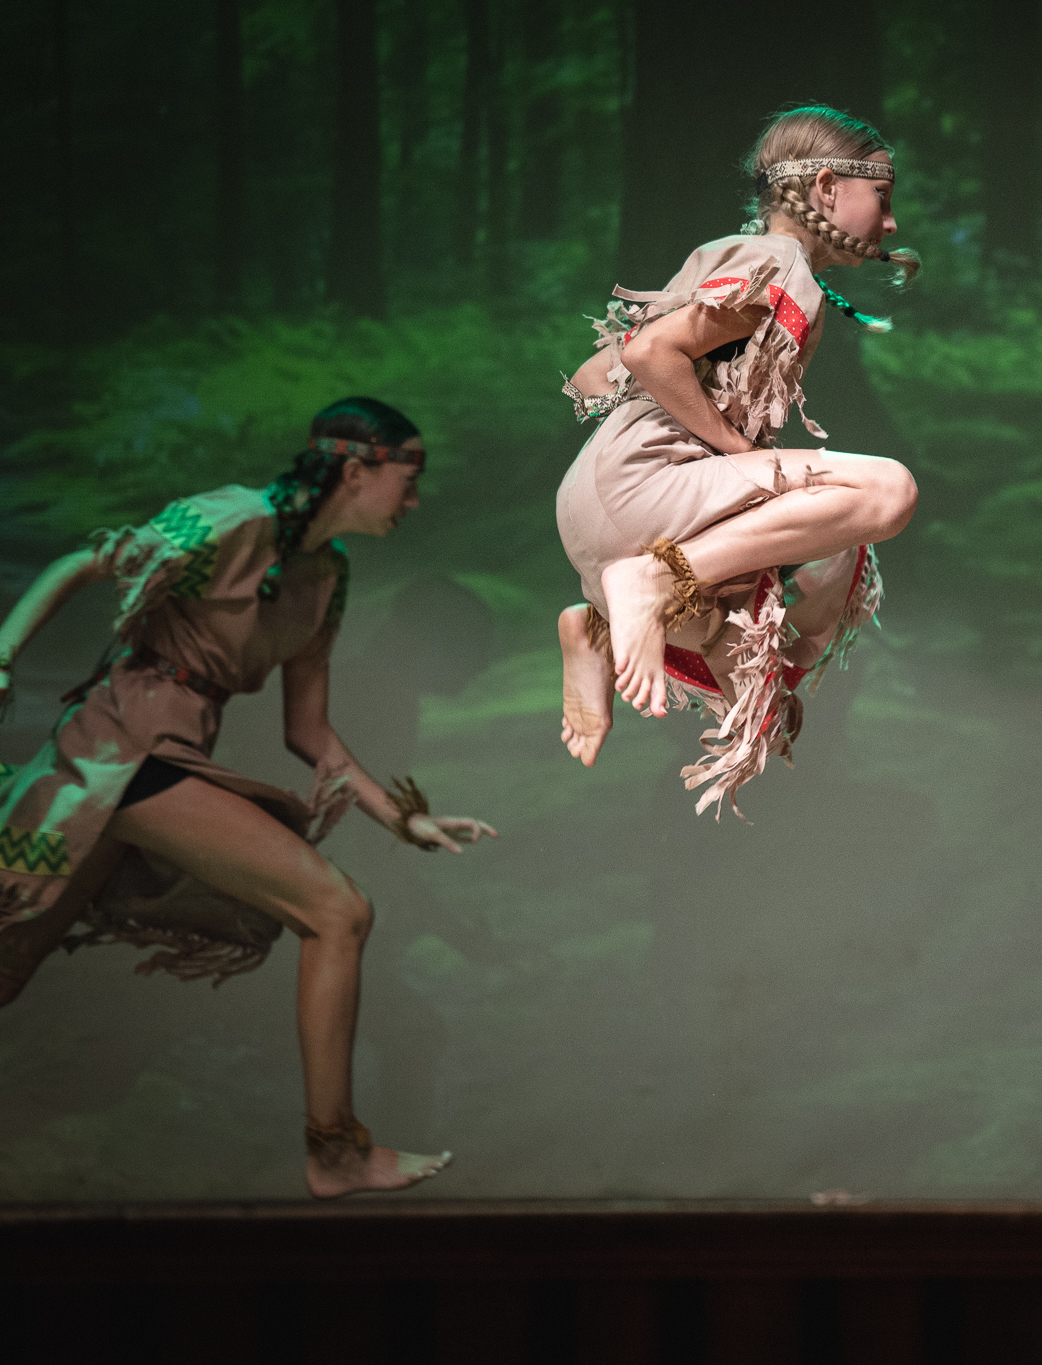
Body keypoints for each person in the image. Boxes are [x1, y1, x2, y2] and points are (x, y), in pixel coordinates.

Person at [0, 397, 497, 1197]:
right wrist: (2, 652)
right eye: (410, 477)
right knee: (337, 909)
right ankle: (334, 1149)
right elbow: (84, 564)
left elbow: (310, 731)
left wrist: (403, 817)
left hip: (168, 756)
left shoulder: (326, 580)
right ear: (355, 467)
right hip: (117, 747)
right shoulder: (229, 519)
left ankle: (334, 1148)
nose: (416, 498)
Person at [556, 105, 920, 815]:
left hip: (608, 505)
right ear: (824, 188)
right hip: (645, 488)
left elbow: (605, 366)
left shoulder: (757, 261)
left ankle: (594, 625)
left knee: (772, 696)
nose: (892, 222)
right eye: (883, 196)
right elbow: (645, 352)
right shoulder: (776, 262)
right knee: (888, 493)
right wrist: (733, 448)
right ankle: (647, 579)